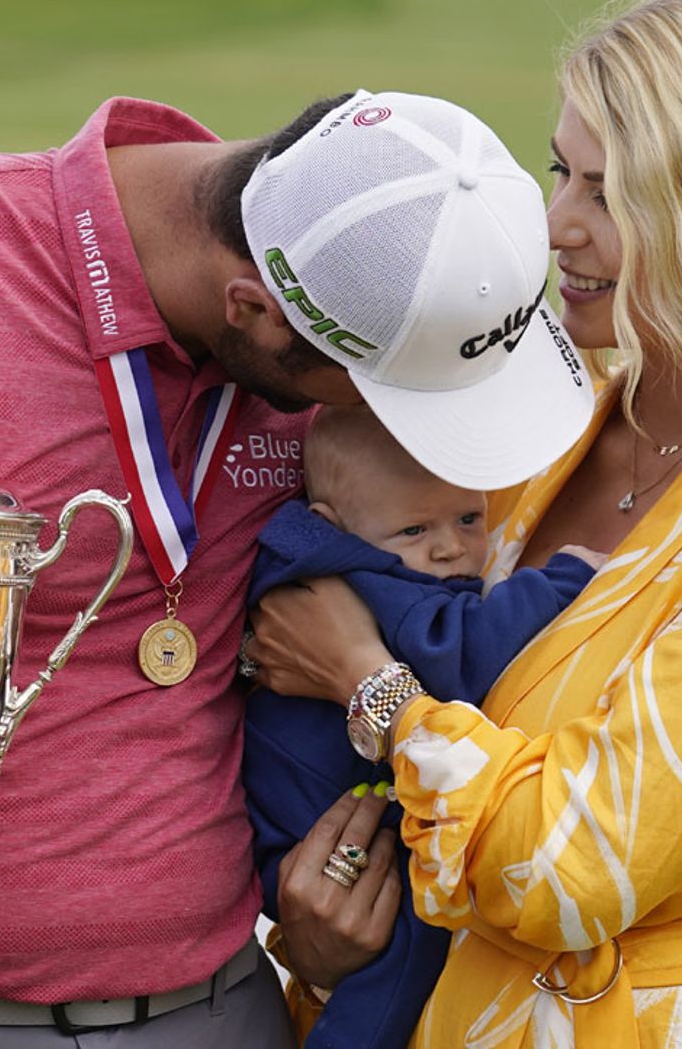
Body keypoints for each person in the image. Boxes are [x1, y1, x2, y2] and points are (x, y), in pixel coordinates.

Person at [0, 89, 594, 1046]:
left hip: (227, 1003)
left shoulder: (359, 286)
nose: (404, 434)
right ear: (252, 310)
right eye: (385, 401)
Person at [247, 0, 682, 1047]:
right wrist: (324, 930)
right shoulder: (533, 442)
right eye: (557, 172)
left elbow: (570, 870)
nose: (555, 226)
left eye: (610, 196)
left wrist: (367, 683)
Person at [243, 404, 602, 1047]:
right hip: (323, 830)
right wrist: (562, 581)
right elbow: (455, 655)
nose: (449, 547)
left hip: (302, 821)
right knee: (410, 944)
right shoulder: (363, 580)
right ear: (334, 523)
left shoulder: (344, 555)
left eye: (469, 517)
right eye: (414, 529)